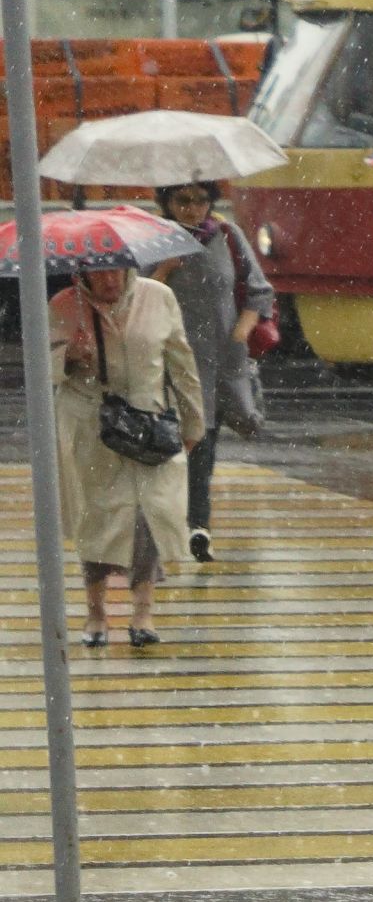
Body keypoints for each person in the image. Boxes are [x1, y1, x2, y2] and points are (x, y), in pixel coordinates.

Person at [49, 267, 206, 647]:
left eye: (119, 269)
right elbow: (42, 368)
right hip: (90, 426)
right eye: (101, 271)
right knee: (97, 516)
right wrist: (68, 356)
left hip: (147, 423)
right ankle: (96, 612)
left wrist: (193, 422)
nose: (112, 279)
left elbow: (181, 362)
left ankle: (143, 612)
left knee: (147, 515)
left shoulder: (158, 297)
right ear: (82, 272)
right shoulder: (63, 305)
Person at [146, 181, 271, 563]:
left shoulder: (227, 235)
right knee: (167, 446)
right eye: (182, 200)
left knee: (203, 444)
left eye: (201, 200)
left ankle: (198, 526)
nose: (192, 208)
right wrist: (164, 269)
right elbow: (132, 297)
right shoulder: (152, 238)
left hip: (217, 362)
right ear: (165, 202)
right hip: (166, 362)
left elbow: (259, 290)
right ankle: (165, 527)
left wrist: (241, 331)